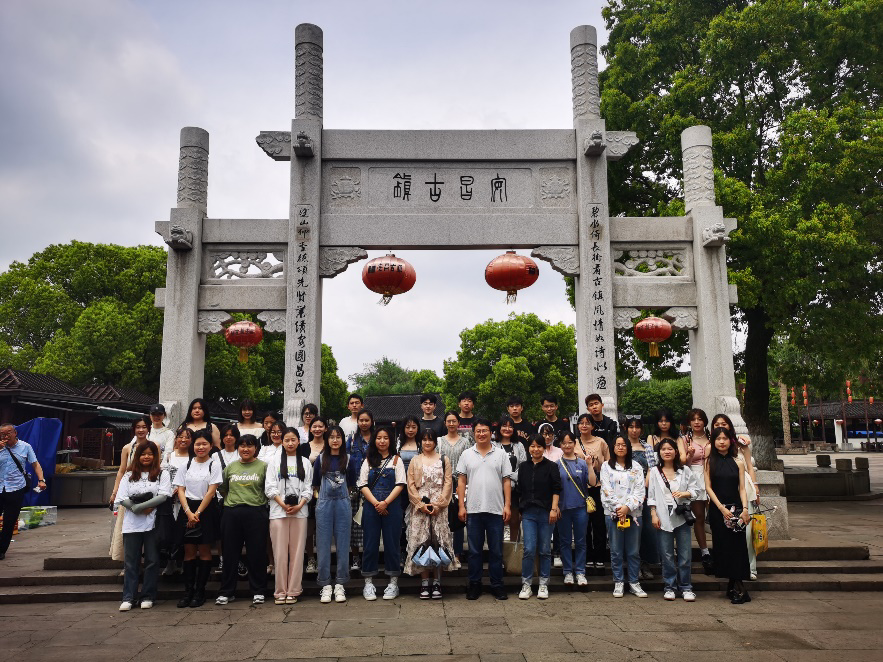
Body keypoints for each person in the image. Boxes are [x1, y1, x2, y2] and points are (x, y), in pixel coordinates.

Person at [456, 418, 513, 601]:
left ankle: (497, 585)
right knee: (474, 551)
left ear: (491, 432)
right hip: (473, 510)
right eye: (478, 431)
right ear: (474, 433)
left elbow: (506, 481)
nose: (481, 434)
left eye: (485, 431)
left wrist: (507, 505)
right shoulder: (466, 454)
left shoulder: (501, 454)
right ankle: (474, 584)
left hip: (496, 509)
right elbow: (461, 481)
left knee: (496, 550)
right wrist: (461, 506)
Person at [114, 441, 171, 610]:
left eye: (150, 454)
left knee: (152, 560)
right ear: (137, 456)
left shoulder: (162, 474)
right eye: (143, 454)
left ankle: (148, 595)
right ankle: (129, 596)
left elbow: (163, 495)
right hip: (132, 524)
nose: (146, 457)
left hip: (153, 523)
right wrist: (136, 508)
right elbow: (121, 497)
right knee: (131, 561)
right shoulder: (129, 475)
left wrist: (144, 507)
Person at [404, 429, 460, 598]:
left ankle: (436, 582)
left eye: (430, 439)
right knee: (421, 543)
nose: (427, 442)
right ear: (420, 441)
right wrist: (420, 504)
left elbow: (448, 483)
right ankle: (424, 583)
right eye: (424, 439)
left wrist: (439, 505)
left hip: (439, 508)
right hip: (420, 507)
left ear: (435, 441)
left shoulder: (444, 459)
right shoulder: (415, 460)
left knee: (438, 543)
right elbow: (410, 484)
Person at [216, 434, 270, 606]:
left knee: (257, 553)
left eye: (250, 446)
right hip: (231, 512)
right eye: (242, 446)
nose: (245, 449)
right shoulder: (230, 467)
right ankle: (227, 592)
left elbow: (268, 489)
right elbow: (223, 489)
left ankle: (258, 591)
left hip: (256, 512)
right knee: (230, 553)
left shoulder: (263, 467)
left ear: (256, 448)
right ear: (238, 448)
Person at [173, 429, 222, 608]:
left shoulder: (214, 465)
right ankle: (188, 591)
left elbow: (211, 491)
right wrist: (188, 512)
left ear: (211, 446)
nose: (200, 447)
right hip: (187, 509)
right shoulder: (186, 465)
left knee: (205, 550)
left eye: (204, 444)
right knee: (189, 551)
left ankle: (200, 591)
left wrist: (198, 513)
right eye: (197, 444)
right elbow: (180, 489)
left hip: (206, 510)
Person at [358, 426, 406, 600]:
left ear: (390, 440)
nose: (382, 441)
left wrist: (385, 503)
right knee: (370, 544)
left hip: (392, 507)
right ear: (374, 440)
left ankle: (393, 583)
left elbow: (400, 484)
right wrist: (376, 503)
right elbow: (362, 484)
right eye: (379, 438)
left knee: (392, 544)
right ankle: (368, 583)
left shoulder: (396, 460)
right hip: (371, 507)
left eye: (385, 438)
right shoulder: (368, 460)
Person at [648, 438, 699, 602]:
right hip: (663, 516)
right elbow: (651, 495)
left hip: (682, 517)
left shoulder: (685, 470)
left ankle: (686, 587)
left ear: (676, 451)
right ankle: (669, 586)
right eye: (663, 449)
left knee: (685, 554)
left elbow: (696, 490)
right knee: (667, 554)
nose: (667, 452)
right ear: (659, 453)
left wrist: (685, 493)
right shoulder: (655, 471)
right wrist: (653, 514)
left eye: (670, 449)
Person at [705, 426, 752, 604]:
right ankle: (734, 587)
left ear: (730, 441)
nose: (722, 442)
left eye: (725, 438)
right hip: (719, 511)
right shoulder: (709, 462)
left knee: (738, 548)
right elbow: (708, 487)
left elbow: (742, 488)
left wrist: (745, 509)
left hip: (737, 510)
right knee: (723, 547)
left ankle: (739, 589)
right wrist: (721, 508)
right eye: (718, 439)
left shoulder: (738, 462)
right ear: (713, 442)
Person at [266, 427, 313, 605]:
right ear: (282, 442)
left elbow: (308, 488)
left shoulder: (305, 462)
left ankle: (293, 590)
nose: (290, 443)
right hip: (278, 512)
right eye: (287, 440)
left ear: (298, 441)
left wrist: (299, 505)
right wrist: (283, 504)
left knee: (297, 553)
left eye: (293, 440)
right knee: (279, 554)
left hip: (299, 513)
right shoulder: (274, 462)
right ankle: (280, 591)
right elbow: (270, 488)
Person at [711, 413, 759, 579]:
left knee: (746, 532)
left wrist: (756, 487)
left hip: (744, 488)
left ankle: (750, 568)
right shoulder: (712, 448)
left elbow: (750, 466)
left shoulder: (741, 443)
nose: (720, 427)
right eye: (717, 424)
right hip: (722, 491)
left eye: (724, 424)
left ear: (730, 426)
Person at [314, 425, 357, 603]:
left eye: (338, 437)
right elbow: (315, 484)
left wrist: (344, 498)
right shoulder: (320, 459)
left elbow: (352, 484)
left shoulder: (349, 460)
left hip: (342, 504)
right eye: (331, 437)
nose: (335, 440)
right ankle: (325, 584)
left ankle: (340, 583)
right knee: (323, 545)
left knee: (343, 544)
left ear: (342, 439)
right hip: (324, 504)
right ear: (327, 439)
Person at [600, 435, 647, 598]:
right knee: (616, 550)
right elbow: (606, 490)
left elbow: (640, 491)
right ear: (613, 448)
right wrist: (619, 509)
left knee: (633, 551)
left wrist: (628, 507)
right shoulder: (606, 466)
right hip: (613, 514)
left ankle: (634, 581)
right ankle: (618, 581)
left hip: (634, 514)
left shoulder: (636, 466)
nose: (620, 447)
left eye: (623, 445)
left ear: (628, 447)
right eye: (617, 445)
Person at [517, 434, 561, 600]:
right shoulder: (523, 467)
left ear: (544, 448)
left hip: (546, 512)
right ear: (528, 448)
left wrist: (554, 509)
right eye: (533, 446)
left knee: (544, 549)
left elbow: (556, 489)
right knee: (529, 549)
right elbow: (520, 490)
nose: (536, 449)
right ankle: (526, 584)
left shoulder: (551, 466)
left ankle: (543, 583)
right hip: (528, 512)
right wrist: (520, 509)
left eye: (539, 446)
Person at [0, 424, 47, 560]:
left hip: (16, 488)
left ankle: (1, 550)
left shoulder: (25, 447)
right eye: (2, 434)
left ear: (15, 433)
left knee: (9, 521)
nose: (6, 436)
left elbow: (35, 464)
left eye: (8, 432)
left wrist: (41, 480)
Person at [623, 415, 660, 580]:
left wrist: (644, 486)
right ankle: (632, 564)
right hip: (626, 493)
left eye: (637, 427)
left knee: (647, 529)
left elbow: (652, 468)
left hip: (646, 493)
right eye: (631, 427)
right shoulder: (622, 445)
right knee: (630, 529)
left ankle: (646, 563)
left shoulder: (647, 447)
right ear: (626, 429)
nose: (634, 430)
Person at [556, 431, 595, 587]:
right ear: (560, 445)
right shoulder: (556, 464)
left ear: (575, 443)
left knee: (581, 541)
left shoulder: (582, 463)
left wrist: (590, 465)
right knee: (565, 541)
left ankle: (580, 571)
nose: (567, 445)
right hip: (563, 508)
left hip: (580, 508)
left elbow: (592, 482)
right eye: (564, 443)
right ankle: (567, 571)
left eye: (570, 442)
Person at [575, 413, 610, 571]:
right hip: (580, 489)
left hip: (598, 487)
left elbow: (608, 464)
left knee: (599, 524)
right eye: (581, 423)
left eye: (587, 423)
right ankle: (588, 556)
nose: (584, 425)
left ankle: (600, 556)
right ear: (578, 426)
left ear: (592, 426)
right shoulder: (574, 443)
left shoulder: (600, 442)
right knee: (584, 524)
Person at [437, 410, 473, 562]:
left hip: (460, 482)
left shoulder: (466, 442)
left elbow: (469, 463)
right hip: (442, 483)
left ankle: (457, 553)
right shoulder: (439, 441)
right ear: (445, 423)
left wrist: (464, 483)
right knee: (443, 518)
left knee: (458, 517)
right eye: (449, 421)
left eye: (454, 421)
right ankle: (444, 552)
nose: (451, 424)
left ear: (459, 423)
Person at [684, 408, 713, 572]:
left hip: (713, 476)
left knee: (715, 517)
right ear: (689, 422)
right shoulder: (685, 439)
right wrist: (689, 455)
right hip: (694, 478)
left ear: (705, 421)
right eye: (693, 419)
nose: (697, 422)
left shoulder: (713, 437)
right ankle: (705, 552)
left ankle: (721, 548)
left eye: (700, 419)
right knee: (699, 517)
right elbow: (683, 464)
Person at [347, 408, 375, 573]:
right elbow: (345, 461)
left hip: (373, 486)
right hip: (355, 487)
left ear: (372, 422)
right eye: (361, 420)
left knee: (370, 524)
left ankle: (368, 557)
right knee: (354, 524)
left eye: (367, 420)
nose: (364, 423)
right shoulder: (351, 440)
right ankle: (356, 557)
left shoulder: (377, 439)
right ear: (357, 422)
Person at [110, 415, 153, 507]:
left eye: (144, 427)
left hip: (149, 486)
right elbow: (121, 470)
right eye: (138, 427)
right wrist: (115, 491)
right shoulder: (127, 448)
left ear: (149, 429)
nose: (141, 430)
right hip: (130, 485)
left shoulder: (154, 446)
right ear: (134, 429)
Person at [303, 415, 328, 573]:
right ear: (310, 429)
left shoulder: (331, 445)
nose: (317, 429)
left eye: (320, 426)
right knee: (309, 527)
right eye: (314, 426)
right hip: (309, 491)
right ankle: (311, 559)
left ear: (325, 428)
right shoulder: (304, 447)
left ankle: (323, 559)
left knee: (324, 527)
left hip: (327, 490)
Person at [497, 416, 527, 543]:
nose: (507, 429)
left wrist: (510, 478)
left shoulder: (519, 445)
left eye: (510, 426)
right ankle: (499, 548)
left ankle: (514, 547)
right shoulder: (493, 445)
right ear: (499, 428)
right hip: (497, 488)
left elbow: (523, 466)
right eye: (504, 426)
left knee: (514, 520)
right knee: (498, 520)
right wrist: (504, 478)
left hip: (515, 488)